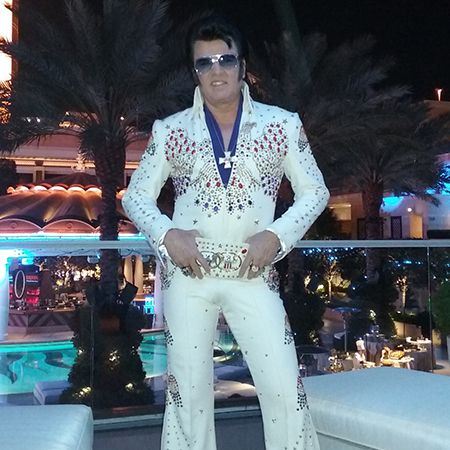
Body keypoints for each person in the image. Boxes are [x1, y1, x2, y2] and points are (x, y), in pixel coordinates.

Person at [122, 15, 329, 450]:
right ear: (194, 72)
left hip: (254, 273)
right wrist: (167, 236)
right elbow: (135, 197)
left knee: (284, 389)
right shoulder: (170, 130)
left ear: (242, 65)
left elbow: (315, 191)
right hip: (188, 276)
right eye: (204, 62)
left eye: (225, 59)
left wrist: (276, 237)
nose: (216, 70)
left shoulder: (282, 125)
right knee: (188, 397)